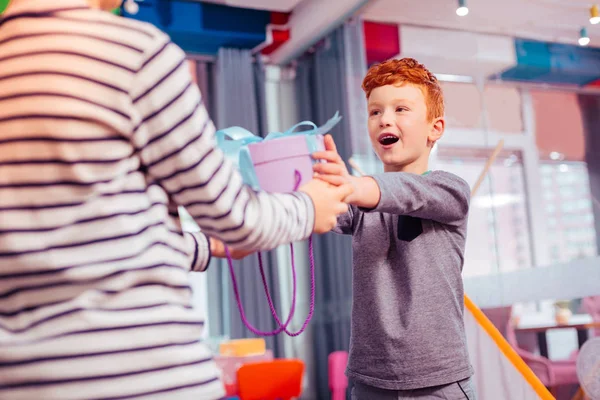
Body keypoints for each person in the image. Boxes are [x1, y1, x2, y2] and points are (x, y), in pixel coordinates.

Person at [0, 0, 353, 399]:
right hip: (147, 377)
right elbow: (237, 217)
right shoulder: (132, 52)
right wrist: (310, 206)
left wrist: (207, 247)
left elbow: (71, 238)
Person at [312, 58, 476, 399]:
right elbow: (319, 209)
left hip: (439, 382)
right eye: (375, 112)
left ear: (435, 128)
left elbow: (408, 194)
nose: (385, 118)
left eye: (401, 109)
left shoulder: (449, 190)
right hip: (370, 382)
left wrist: (351, 186)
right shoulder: (360, 200)